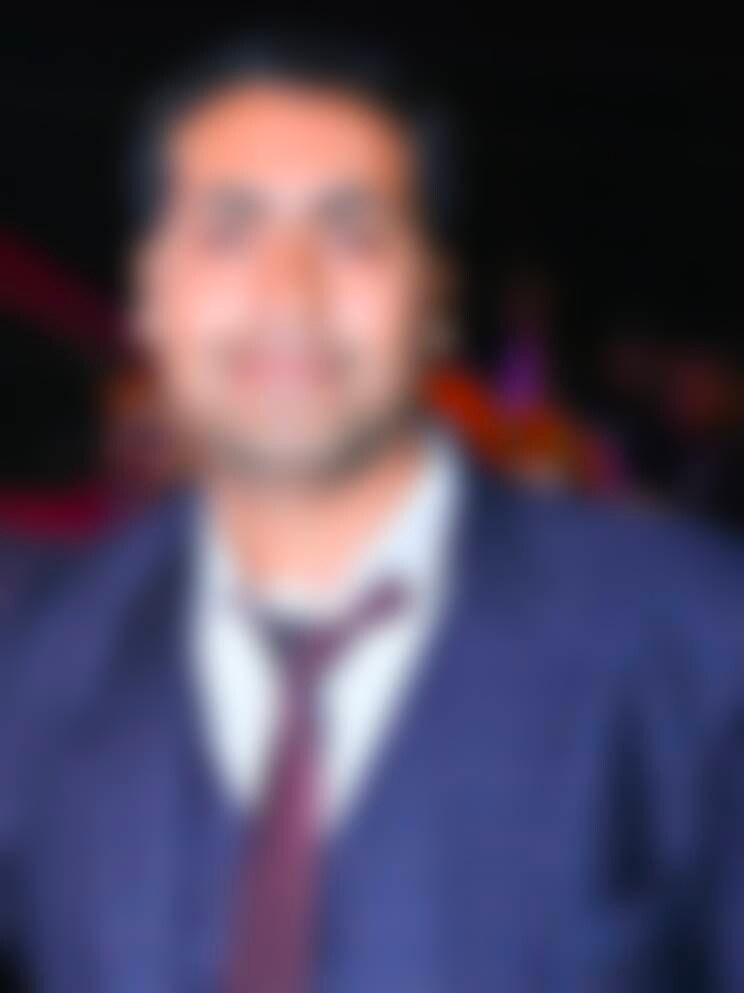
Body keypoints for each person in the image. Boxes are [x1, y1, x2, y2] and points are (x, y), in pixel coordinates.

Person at [2, 30, 744, 993]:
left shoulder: (694, 640)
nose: (289, 293)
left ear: (436, 298)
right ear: (147, 295)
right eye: (227, 232)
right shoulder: (37, 650)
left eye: (352, 234)